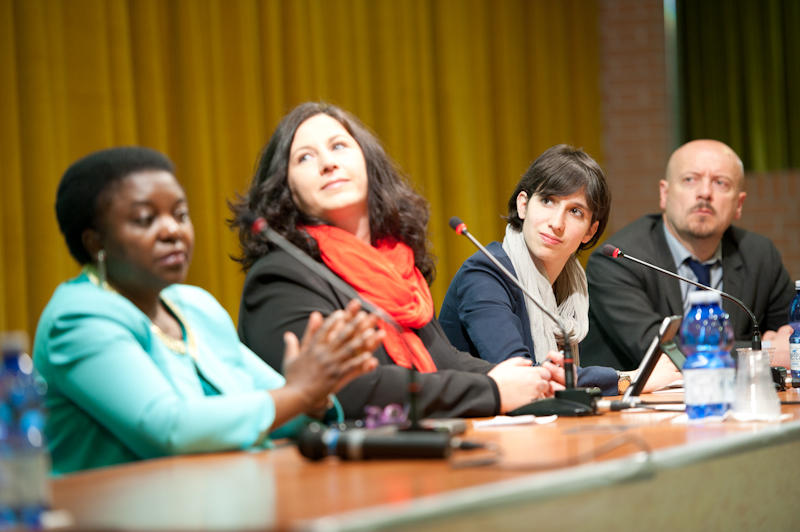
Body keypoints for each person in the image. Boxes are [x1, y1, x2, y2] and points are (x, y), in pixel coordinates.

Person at [33, 147, 383, 474]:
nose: (172, 230)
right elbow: (172, 431)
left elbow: (279, 409)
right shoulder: (77, 320)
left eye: (180, 215)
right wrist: (300, 393)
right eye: (145, 219)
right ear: (95, 241)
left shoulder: (195, 307)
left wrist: (315, 398)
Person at [232, 102, 566, 420]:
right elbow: (346, 388)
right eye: (305, 157)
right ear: (286, 187)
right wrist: (492, 390)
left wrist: (530, 378)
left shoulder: (395, 265)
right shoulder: (279, 276)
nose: (327, 163)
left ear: (368, 163)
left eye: (338, 146)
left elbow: (443, 360)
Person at [440, 145, 680, 396]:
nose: (556, 223)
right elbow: (523, 378)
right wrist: (630, 379)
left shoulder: (571, 289)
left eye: (575, 211)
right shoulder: (484, 275)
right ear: (523, 205)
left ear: (590, 231)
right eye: (548, 201)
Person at [581, 139, 795, 371]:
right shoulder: (619, 260)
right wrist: (765, 351)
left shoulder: (759, 256)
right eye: (690, 179)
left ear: (739, 204)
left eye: (720, 183)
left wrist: (784, 344)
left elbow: (793, 335)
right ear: (664, 194)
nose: (705, 193)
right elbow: (660, 351)